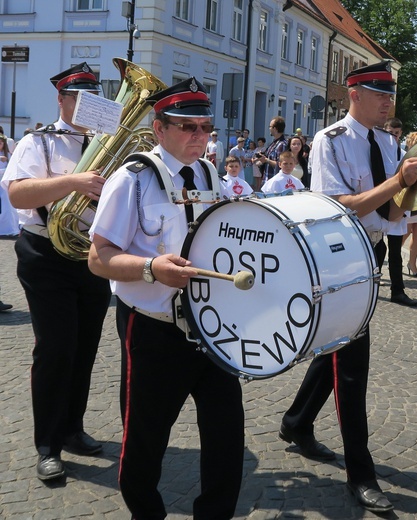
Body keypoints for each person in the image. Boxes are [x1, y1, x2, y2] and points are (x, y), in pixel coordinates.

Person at [87, 77, 245, 519]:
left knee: (226, 436)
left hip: (213, 327)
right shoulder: (131, 180)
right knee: (144, 440)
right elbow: (99, 259)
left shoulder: (213, 174)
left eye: (206, 127)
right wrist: (150, 268)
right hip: (155, 331)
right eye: (187, 127)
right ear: (159, 129)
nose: (200, 137)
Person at [278, 61, 417, 513]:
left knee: (337, 347)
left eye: (390, 95)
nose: (388, 103)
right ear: (353, 93)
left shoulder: (387, 140)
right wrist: (397, 183)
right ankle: (361, 473)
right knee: (352, 360)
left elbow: (392, 209)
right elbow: (338, 206)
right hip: (340, 255)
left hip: (374, 250)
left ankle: (297, 421)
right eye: (379, 94)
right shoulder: (329, 141)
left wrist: (410, 194)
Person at [2, 62, 111, 480]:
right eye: (78, 99)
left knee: (84, 347)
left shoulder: (108, 142)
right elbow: (17, 193)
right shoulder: (39, 142)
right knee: (55, 349)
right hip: (45, 253)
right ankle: (47, 444)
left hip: (90, 254)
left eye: (93, 99)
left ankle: (72, 429)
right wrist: (74, 182)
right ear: (62, 100)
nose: (86, 106)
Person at [380, 117, 417, 307]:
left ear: (400, 134)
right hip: (378, 207)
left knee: (395, 252)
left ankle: (398, 290)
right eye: (390, 133)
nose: (393, 137)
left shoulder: (405, 156)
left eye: (396, 133)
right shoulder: (377, 152)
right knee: (376, 249)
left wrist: (405, 210)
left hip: (398, 207)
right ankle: (372, 284)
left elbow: (410, 186)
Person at [402, 131, 417, 277]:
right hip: (409, 197)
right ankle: (394, 259)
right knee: (406, 231)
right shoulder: (406, 158)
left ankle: (412, 264)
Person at [0, 133, 19, 237]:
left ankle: (10, 227)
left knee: (8, 207)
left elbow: (12, 169)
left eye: (1, 143)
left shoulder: (9, 155)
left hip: (4, 185)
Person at [260, 116, 288, 183]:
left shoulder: (282, 144)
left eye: (270, 127)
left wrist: (266, 160)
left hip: (275, 181)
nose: (269, 129)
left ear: (275, 128)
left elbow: (281, 165)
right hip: (268, 180)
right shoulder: (274, 142)